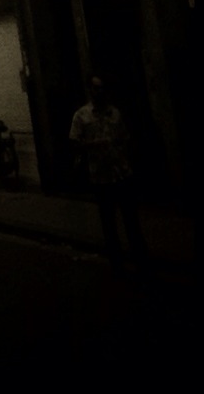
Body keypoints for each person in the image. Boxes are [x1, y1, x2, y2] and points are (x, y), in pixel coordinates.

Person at [69, 76, 146, 268]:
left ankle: (140, 259)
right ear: (90, 90)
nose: (100, 92)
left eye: (102, 88)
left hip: (122, 172)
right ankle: (117, 261)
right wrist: (93, 145)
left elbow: (125, 138)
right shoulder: (81, 116)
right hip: (101, 176)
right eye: (96, 88)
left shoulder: (115, 113)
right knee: (108, 221)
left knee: (131, 218)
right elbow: (74, 143)